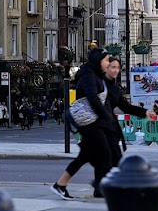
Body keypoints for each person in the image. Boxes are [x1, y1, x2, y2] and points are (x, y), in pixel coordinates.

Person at [48, 48, 113, 200]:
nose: (108, 63)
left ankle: (62, 184)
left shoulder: (95, 75)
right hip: (88, 123)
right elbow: (93, 99)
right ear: (99, 61)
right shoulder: (89, 76)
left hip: (92, 122)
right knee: (105, 154)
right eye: (106, 60)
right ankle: (102, 187)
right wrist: (106, 116)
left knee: (87, 155)